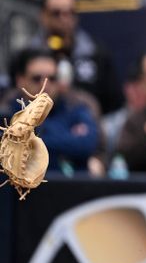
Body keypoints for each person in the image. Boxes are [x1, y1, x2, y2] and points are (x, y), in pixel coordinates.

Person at [1, 48, 100, 177]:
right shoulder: (7, 113)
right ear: (20, 80)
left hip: (73, 189)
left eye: (52, 78)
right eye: (37, 78)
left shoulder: (76, 107)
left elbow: (87, 144)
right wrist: (66, 135)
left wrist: (31, 139)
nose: (45, 84)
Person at [28, 0, 122, 114]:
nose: (64, 19)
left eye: (70, 13)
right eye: (56, 13)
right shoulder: (28, 56)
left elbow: (114, 104)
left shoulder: (96, 53)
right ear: (43, 15)